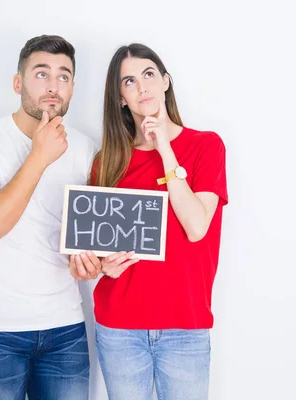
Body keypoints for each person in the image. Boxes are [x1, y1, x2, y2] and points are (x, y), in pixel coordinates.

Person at [0, 34, 101, 400]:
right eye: (41, 74)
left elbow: (87, 240)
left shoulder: (84, 148)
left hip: (66, 328)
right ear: (18, 82)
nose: (53, 86)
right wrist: (39, 156)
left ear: (73, 87)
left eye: (64, 76)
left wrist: (91, 264)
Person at [90, 43, 228, 400]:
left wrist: (165, 149)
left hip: (185, 324)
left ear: (166, 81)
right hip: (120, 326)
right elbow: (95, 250)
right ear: (121, 98)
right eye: (129, 81)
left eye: (149, 75)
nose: (143, 87)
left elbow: (196, 226)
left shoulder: (206, 146)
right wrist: (105, 264)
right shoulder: (107, 161)